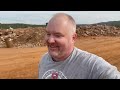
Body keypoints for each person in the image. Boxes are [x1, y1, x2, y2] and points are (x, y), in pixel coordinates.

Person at [38, 13, 120, 79]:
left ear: (73, 38)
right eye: (48, 34)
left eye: (58, 35)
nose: (50, 40)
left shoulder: (90, 64)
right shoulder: (44, 60)